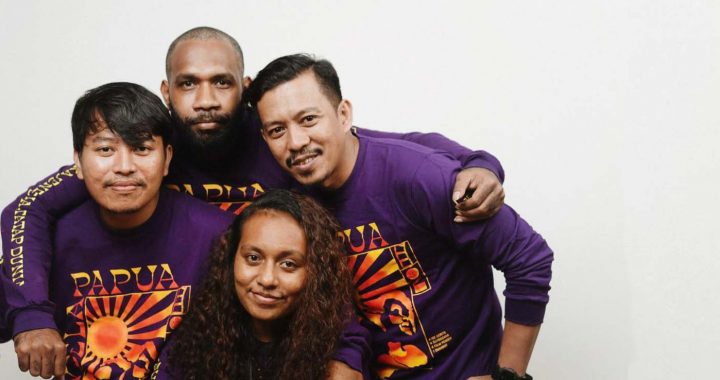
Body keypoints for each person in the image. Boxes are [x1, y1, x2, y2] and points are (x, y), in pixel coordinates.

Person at [1, 26, 506, 375]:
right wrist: (32, 314)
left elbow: (368, 143)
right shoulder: (143, 151)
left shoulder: (278, 138)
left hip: (301, 329)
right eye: (188, 84)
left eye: (221, 82)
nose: (204, 100)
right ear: (167, 91)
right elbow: (29, 208)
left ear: (242, 89)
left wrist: (479, 162)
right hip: (203, 337)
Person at [247, 54, 555, 379]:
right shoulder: (287, 199)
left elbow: (529, 258)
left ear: (343, 114)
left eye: (309, 119)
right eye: (277, 130)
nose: (296, 142)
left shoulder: (416, 176)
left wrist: (506, 375)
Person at [11, 82, 233, 378]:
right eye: (105, 149)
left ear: (167, 158)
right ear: (77, 160)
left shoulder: (218, 234)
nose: (124, 166)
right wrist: (30, 319)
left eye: (141, 148)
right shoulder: (46, 243)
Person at [152, 189, 357, 379]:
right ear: (231, 260)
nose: (267, 279)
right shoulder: (196, 337)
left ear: (315, 273)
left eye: (288, 264)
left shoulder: (336, 346)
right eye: (253, 258)